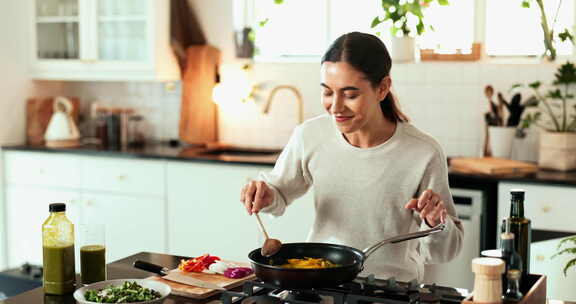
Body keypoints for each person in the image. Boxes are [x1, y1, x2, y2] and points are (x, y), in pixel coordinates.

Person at [240, 32, 463, 281]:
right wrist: (266, 194)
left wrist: (435, 223)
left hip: (390, 289)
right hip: (320, 282)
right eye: (327, 92)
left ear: (383, 89)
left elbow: (446, 251)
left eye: (350, 94)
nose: (335, 106)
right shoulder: (310, 135)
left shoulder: (423, 151)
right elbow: (278, 193)